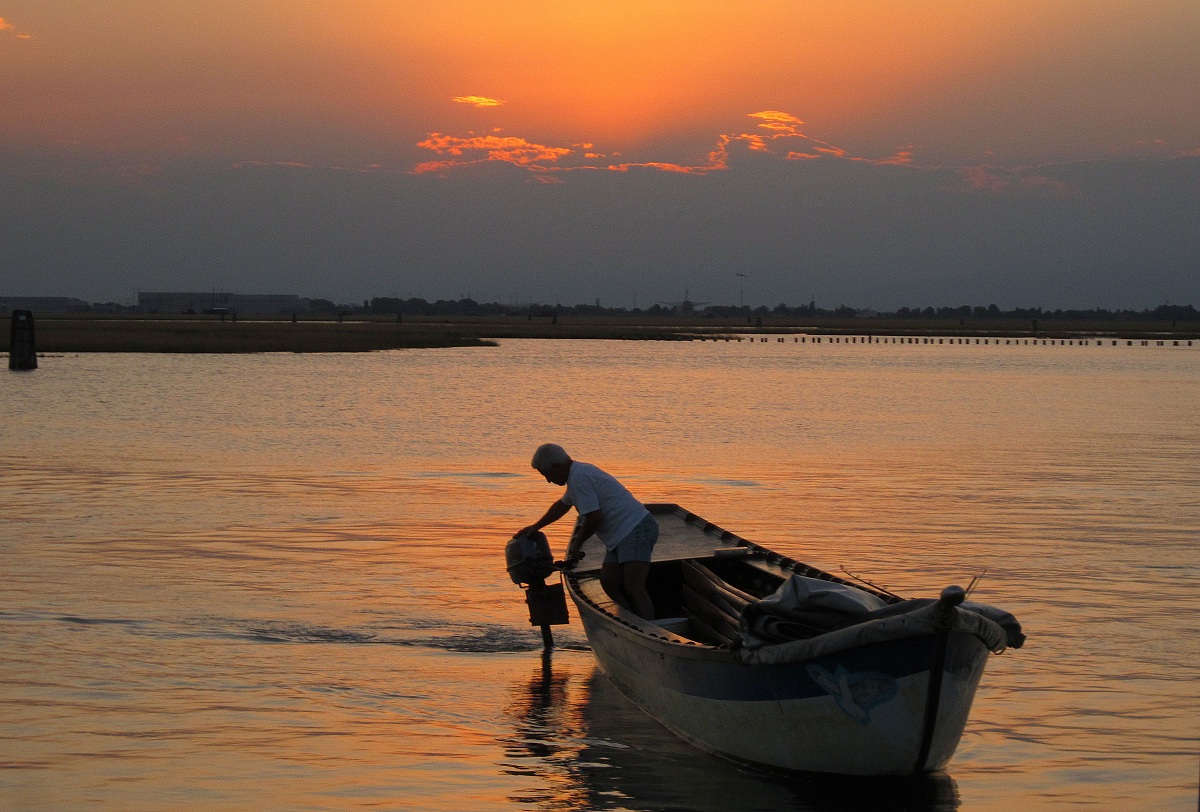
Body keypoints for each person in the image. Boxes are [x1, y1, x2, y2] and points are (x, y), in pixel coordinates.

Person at [517, 443, 658, 619]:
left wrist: (576, 544)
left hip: (635, 529)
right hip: (620, 536)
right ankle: (630, 619)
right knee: (609, 585)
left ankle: (648, 630)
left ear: (556, 467)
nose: (548, 480)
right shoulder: (577, 475)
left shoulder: (580, 477)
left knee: (634, 587)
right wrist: (536, 526)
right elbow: (562, 505)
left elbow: (594, 518)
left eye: (547, 475)